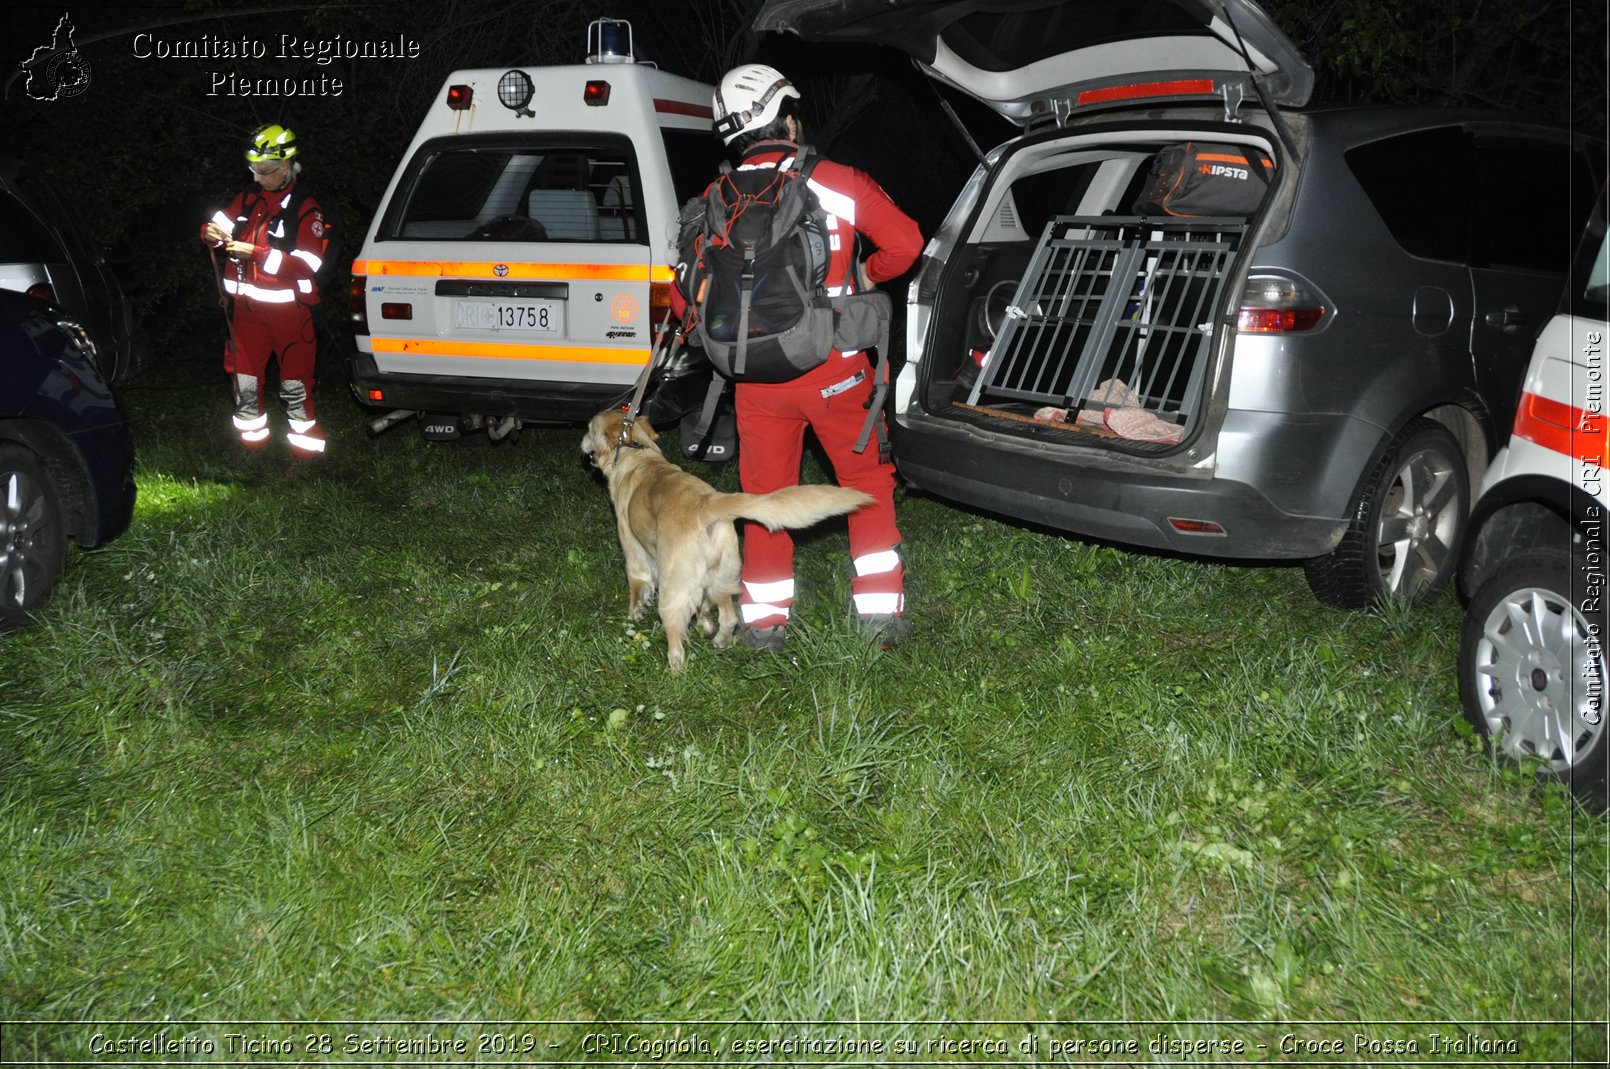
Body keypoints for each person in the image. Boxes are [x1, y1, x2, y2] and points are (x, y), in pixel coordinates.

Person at [697, 63, 924, 650]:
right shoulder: (839, 180)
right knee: (865, 482)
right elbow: (907, 243)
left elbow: (687, 295)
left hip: (755, 378)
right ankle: (879, 615)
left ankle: (765, 625)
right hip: (836, 365)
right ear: (788, 119)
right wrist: (862, 276)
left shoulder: (714, 199)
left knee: (767, 499)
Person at [200, 123, 328, 456]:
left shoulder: (306, 208)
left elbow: (307, 265)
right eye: (253, 170)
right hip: (244, 313)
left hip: (289, 315)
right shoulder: (246, 199)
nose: (257, 177)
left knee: (295, 383)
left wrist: (255, 253)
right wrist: (211, 233)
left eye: (265, 171)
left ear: (286, 166)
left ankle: (305, 453)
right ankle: (251, 449)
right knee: (244, 380)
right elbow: (214, 225)